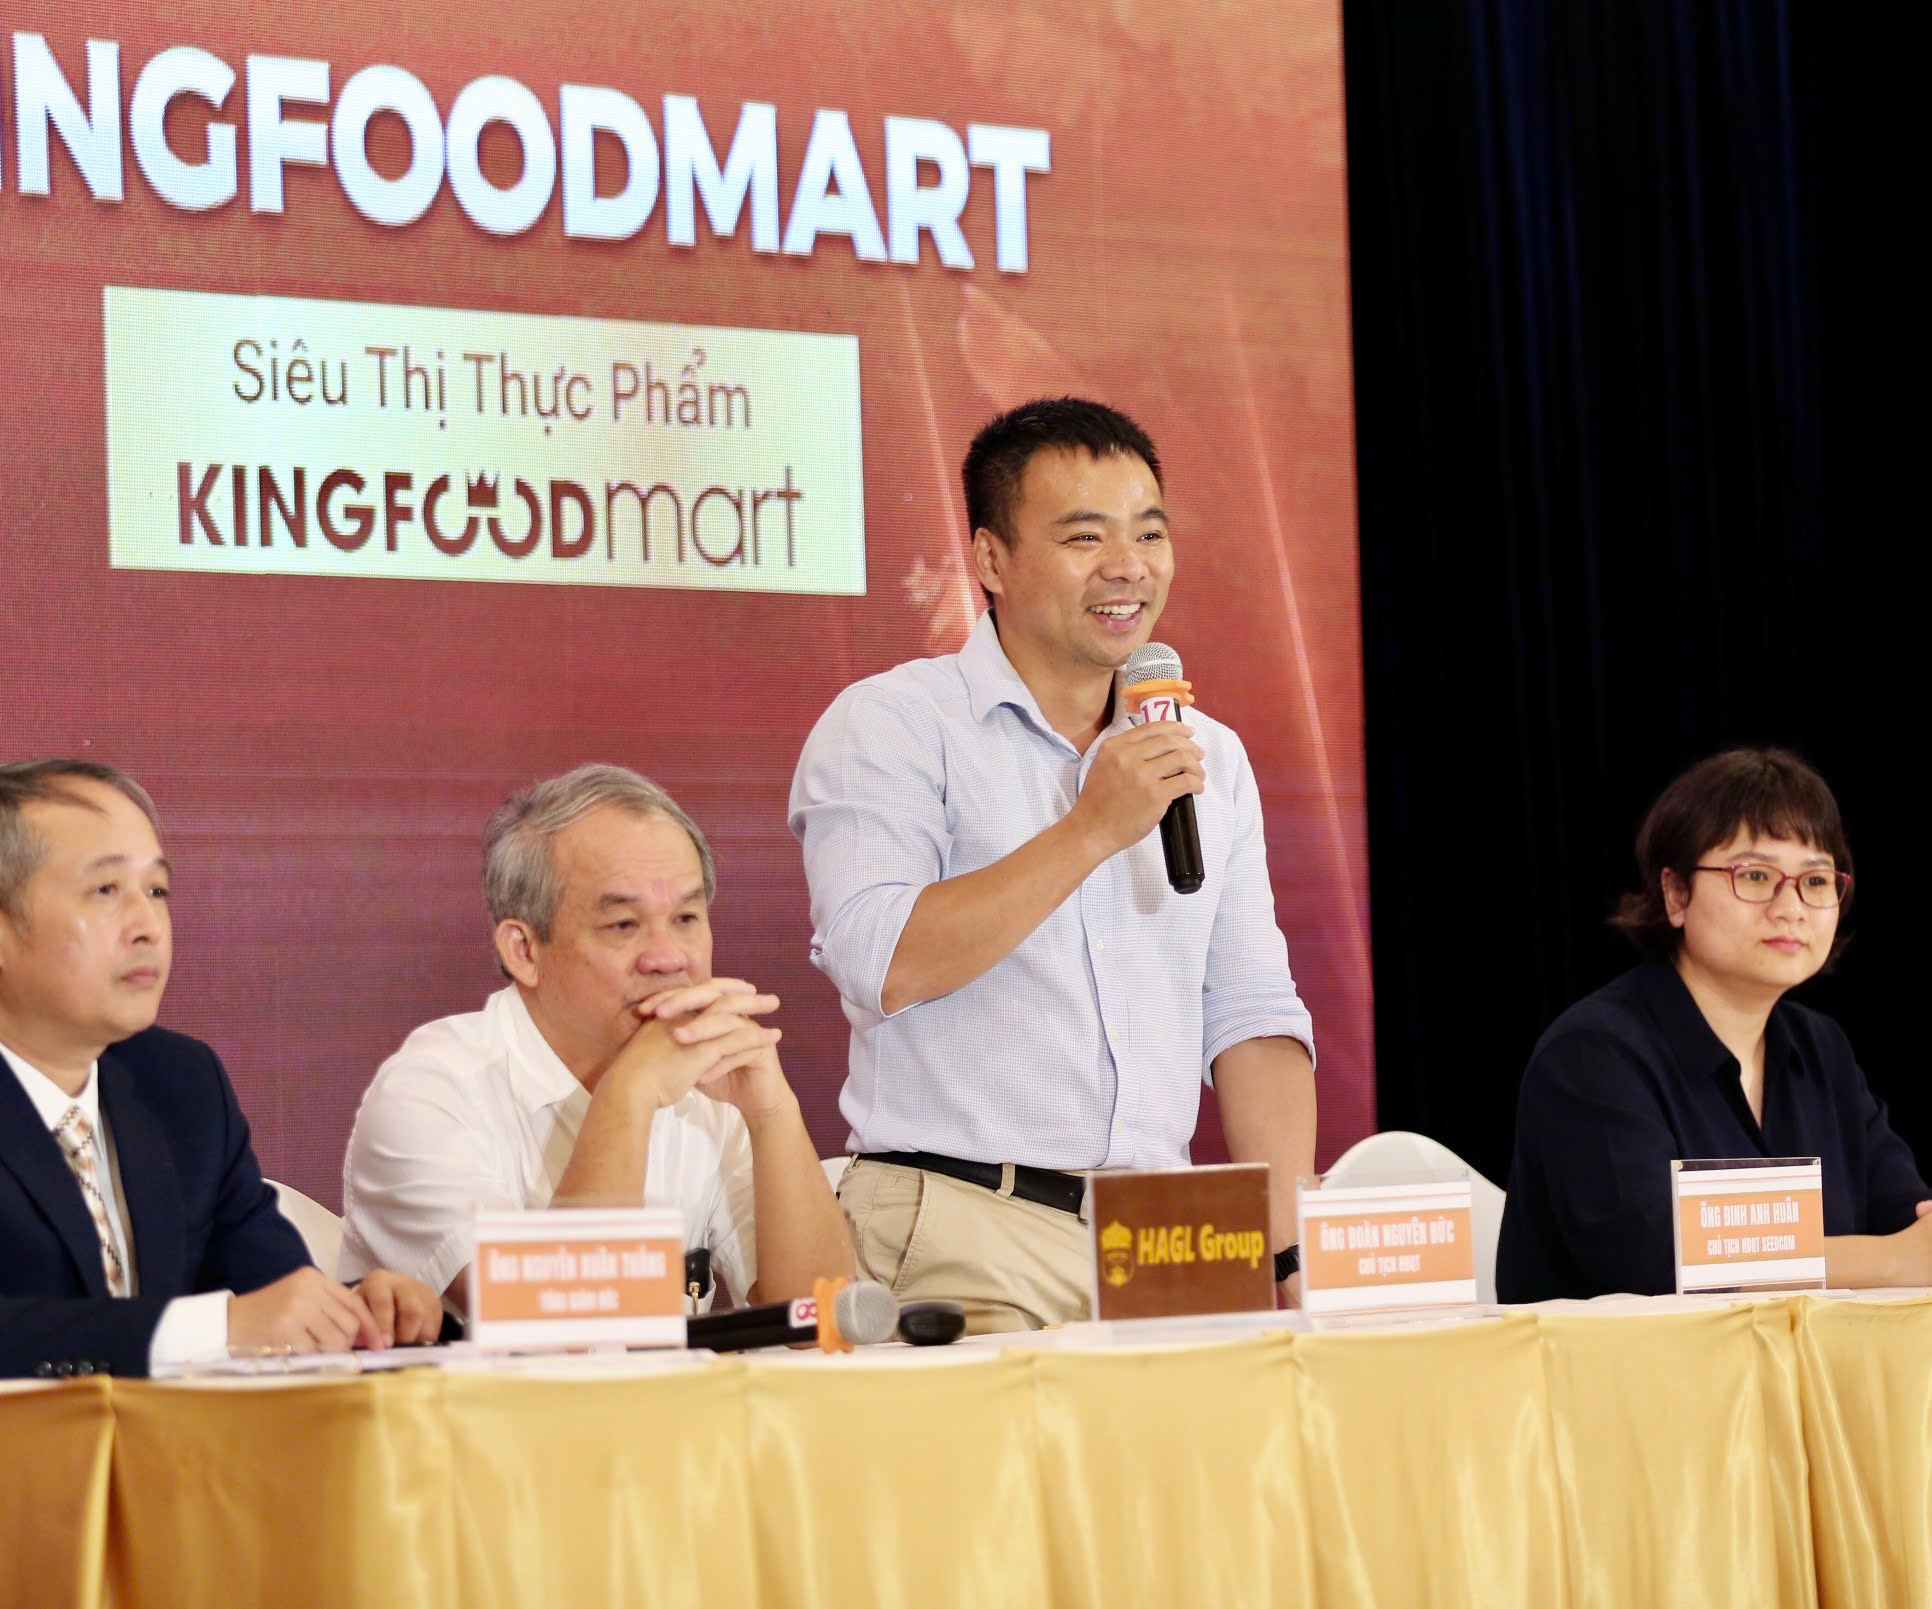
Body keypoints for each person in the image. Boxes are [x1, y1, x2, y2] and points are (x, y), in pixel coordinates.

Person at [788, 397, 1318, 1331]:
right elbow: (881, 961)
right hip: (964, 1219)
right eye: (1085, 536)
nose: (1129, 566)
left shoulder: (1210, 755)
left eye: (1149, 533)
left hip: (1169, 1237)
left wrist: (1293, 1254)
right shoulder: (893, 724)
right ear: (991, 560)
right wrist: (1088, 830)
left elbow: (1250, 1011)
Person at [0, 760, 439, 1385]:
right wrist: (217, 1328)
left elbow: (270, 1290)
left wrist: (354, 1313)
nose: (148, 926)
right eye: (106, 891)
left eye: (156, 890)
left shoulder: (179, 1082)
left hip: (172, 1453)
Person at [1495, 747, 1932, 1302]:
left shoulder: (1821, 1048)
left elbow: (1902, 1207)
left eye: (1816, 881)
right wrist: (1901, 1260)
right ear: (1675, 894)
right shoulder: (1592, 1055)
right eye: (1755, 875)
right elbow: (1656, 1259)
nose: (1791, 907)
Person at [339, 765, 852, 1323]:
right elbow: (558, 1327)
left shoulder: (712, 1091)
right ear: (524, 951)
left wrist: (771, 1113)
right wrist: (629, 1093)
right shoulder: (428, 1095)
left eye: (686, 917)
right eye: (623, 925)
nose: (669, 958)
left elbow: (826, 1320)